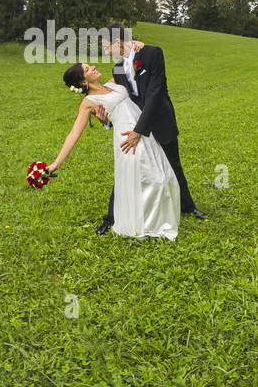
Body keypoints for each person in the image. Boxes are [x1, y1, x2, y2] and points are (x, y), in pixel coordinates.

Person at [49, 61, 180, 240]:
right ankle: (146, 225)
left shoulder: (113, 82)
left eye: (90, 65)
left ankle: (158, 218)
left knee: (163, 175)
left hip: (144, 132)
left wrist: (136, 47)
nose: (93, 67)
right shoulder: (89, 102)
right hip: (127, 139)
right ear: (82, 82)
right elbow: (73, 134)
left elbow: (129, 63)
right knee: (151, 179)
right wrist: (56, 163)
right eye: (87, 69)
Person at [101, 24, 200, 233]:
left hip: (159, 120)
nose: (106, 51)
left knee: (174, 165)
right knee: (126, 168)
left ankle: (188, 207)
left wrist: (140, 129)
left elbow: (155, 93)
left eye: (107, 46)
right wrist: (107, 119)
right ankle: (111, 218)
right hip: (137, 124)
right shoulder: (117, 69)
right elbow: (124, 98)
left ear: (118, 42)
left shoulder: (152, 53)